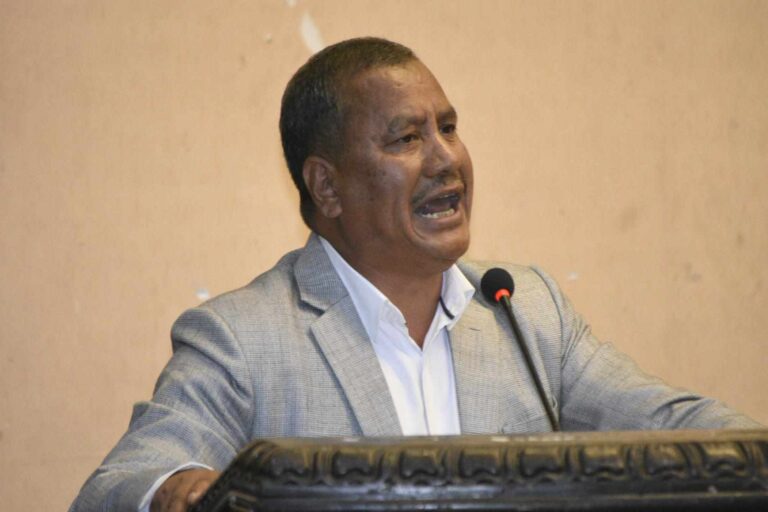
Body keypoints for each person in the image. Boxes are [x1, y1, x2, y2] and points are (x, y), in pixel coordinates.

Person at [70, 37, 761, 512]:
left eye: (449, 128)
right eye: (407, 138)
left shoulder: (523, 311)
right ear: (328, 187)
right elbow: (120, 484)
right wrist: (178, 490)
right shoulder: (244, 339)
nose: (446, 159)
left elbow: (675, 427)